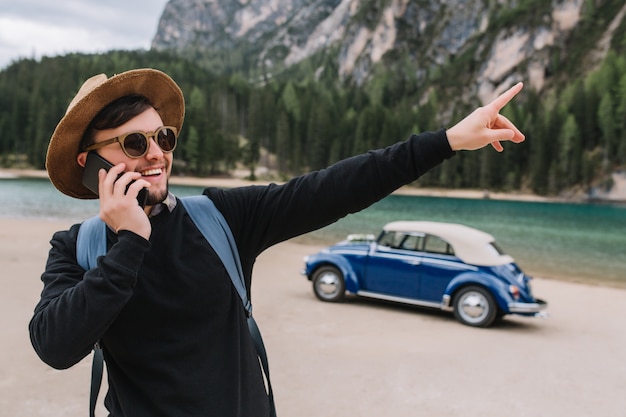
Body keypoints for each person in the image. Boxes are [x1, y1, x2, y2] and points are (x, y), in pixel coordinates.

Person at [29, 68, 525, 417]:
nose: (156, 154)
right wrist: (129, 245)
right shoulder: (77, 247)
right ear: (90, 165)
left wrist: (448, 140)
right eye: (134, 143)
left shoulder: (220, 218)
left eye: (164, 137)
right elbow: (54, 346)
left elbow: (335, 187)